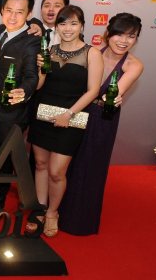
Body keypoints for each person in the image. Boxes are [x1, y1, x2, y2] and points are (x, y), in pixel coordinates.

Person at [59, 13, 143, 235]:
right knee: (66, 163)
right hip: (79, 110)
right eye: (119, 34)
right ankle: (54, 211)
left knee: (91, 168)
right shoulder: (92, 53)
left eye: (131, 37)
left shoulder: (134, 65)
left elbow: (115, 91)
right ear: (108, 34)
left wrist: (114, 97)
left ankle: (80, 221)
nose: (123, 41)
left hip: (103, 119)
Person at [29, 5, 102, 237]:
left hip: (72, 117)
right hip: (44, 114)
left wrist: (68, 114)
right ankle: (39, 208)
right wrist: (40, 70)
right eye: (62, 23)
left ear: (82, 25)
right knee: (40, 165)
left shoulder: (92, 53)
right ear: (56, 26)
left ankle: (52, 212)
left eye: (73, 23)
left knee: (56, 171)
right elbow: (40, 86)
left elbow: (92, 91)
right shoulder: (49, 50)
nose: (67, 28)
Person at [0, 0, 41, 213]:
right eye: (8, 10)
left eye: (19, 12)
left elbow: (32, 75)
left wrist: (24, 91)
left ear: (29, 14)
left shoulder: (32, 41)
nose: (12, 17)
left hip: (11, 109)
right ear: (2, 11)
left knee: (3, 158)